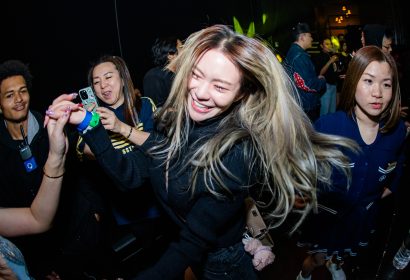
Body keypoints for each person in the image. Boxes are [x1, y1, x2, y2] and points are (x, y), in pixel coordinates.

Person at [46, 24, 355, 280]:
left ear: (242, 93)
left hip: (225, 263)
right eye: (197, 74)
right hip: (191, 253)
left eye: (220, 86)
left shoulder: (238, 152)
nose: (201, 92)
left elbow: (191, 242)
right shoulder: (178, 116)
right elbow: (135, 171)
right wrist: (90, 124)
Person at [296, 46, 407, 280]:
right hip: (326, 219)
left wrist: (383, 191)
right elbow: (300, 167)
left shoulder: (397, 131)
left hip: (360, 220)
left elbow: (397, 165)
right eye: (368, 81)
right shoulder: (327, 127)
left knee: (342, 254)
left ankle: (335, 263)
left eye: (386, 84)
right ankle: (305, 272)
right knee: (317, 258)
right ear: (353, 81)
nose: (377, 92)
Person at [70, 55, 162, 278]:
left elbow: (158, 145)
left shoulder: (145, 105)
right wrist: (92, 125)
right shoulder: (91, 120)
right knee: (150, 262)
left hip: (161, 198)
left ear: (123, 78)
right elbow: (85, 151)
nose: (103, 85)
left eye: (109, 77)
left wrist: (120, 128)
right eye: (96, 81)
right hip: (128, 211)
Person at [0, 59, 68, 279]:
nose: (19, 99)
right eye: (9, 95)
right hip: (31, 249)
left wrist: (96, 211)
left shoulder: (50, 127)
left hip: (68, 238)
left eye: (22, 91)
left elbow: (80, 176)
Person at [284, 22, 327, 122]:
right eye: (310, 36)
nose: (312, 39)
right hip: (307, 105)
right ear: (302, 37)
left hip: (301, 103)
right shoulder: (299, 56)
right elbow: (307, 84)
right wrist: (321, 81)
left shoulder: (293, 52)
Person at [143, 36, 183, 107]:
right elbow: (156, 110)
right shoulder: (154, 76)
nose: (185, 50)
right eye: (181, 48)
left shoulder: (178, 75)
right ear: (171, 55)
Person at [312, 37, 339, 116]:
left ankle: (330, 128)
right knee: (325, 112)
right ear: (321, 46)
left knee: (332, 112)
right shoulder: (319, 56)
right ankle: (322, 128)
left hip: (333, 85)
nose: (329, 45)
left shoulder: (329, 55)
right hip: (326, 86)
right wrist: (330, 61)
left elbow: (333, 71)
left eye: (330, 44)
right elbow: (320, 73)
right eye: (327, 44)